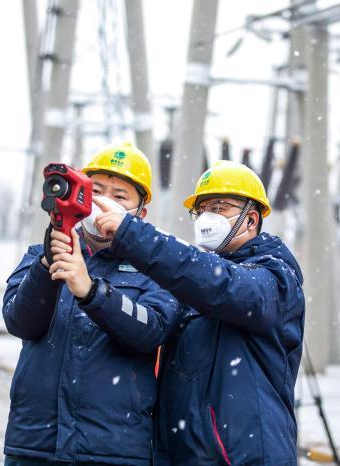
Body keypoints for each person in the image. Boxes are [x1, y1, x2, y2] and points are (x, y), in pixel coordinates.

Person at [94, 160, 306, 466]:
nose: (208, 217)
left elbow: (223, 285)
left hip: (246, 457)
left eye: (219, 207)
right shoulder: (195, 283)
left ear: (251, 220)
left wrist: (133, 234)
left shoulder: (274, 276)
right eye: (202, 209)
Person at [1, 142, 181, 465]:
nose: (103, 202)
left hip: (113, 451)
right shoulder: (39, 255)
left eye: (119, 196)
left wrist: (91, 292)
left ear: (141, 212)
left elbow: (150, 330)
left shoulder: (156, 269)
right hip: (35, 445)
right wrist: (47, 264)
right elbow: (19, 321)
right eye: (95, 190)